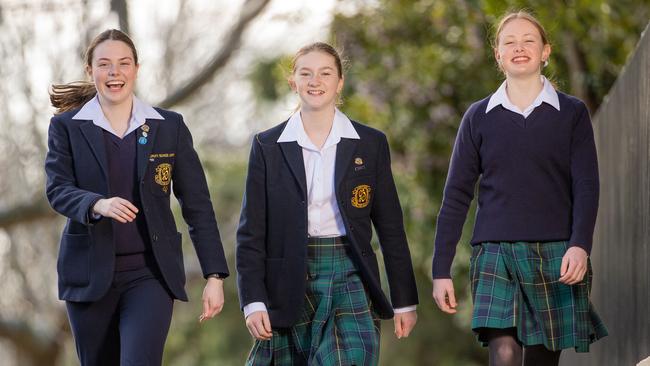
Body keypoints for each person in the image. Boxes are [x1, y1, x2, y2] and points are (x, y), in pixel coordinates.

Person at [431, 10, 608, 366]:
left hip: (556, 254)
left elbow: (586, 185)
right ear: (498, 55)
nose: (519, 48)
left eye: (529, 40)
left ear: (546, 51)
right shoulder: (478, 117)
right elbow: (456, 196)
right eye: (509, 42)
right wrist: (440, 270)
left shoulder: (572, 113)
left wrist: (579, 245)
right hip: (495, 253)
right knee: (505, 354)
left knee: (542, 361)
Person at [45, 29, 229, 366]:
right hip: (88, 277)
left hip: (150, 275)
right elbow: (57, 190)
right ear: (91, 71)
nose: (115, 72)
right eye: (104, 64)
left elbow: (198, 205)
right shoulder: (67, 127)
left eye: (123, 63)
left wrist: (214, 275)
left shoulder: (167, 126)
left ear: (136, 69)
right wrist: (96, 204)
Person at [236, 42, 419, 365]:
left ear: (340, 82)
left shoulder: (371, 143)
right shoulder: (266, 146)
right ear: (293, 82)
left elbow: (391, 229)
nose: (315, 81)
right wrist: (253, 301)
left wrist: (405, 301)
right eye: (306, 73)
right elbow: (251, 235)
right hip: (286, 282)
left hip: (351, 276)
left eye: (325, 73)